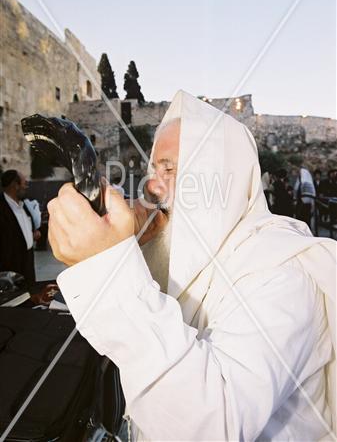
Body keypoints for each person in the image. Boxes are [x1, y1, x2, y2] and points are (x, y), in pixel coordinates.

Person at [48, 91, 336, 441]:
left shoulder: (282, 272)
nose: (152, 185)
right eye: (154, 169)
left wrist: (108, 272)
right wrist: (127, 250)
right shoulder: (187, 256)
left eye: (169, 169)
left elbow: (211, 425)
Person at [0, 170, 40, 287]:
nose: (26, 186)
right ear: (15, 185)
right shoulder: (2, 208)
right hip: (10, 269)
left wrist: (32, 232)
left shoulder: (22, 205)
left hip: (27, 262)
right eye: (24, 183)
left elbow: (22, 226)